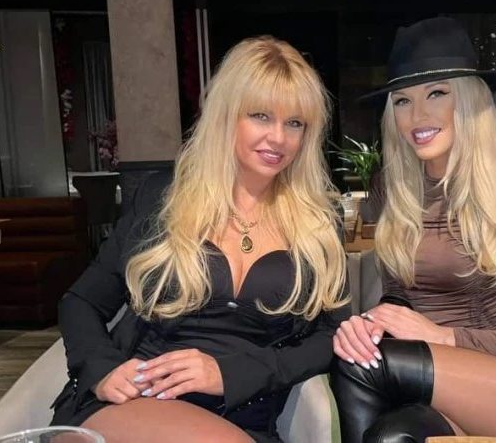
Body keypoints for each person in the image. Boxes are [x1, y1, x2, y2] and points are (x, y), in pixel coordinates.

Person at [51, 36, 349, 443]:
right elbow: (81, 301)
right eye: (261, 116)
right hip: (140, 400)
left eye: (294, 123)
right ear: (226, 116)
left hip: (245, 414)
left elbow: (331, 336)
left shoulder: (318, 219)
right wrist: (100, 368)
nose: (279, 138)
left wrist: (230, 373)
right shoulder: (163, 199)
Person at [331, 17, 496, 443]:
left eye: (436, 94)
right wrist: (374, 322)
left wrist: (444, 336)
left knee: (361, 363)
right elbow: (401, 292)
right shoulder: (391, 191)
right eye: (402, 101)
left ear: (469, 101)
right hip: (444, 382)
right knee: (391, 434)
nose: (417, 115)